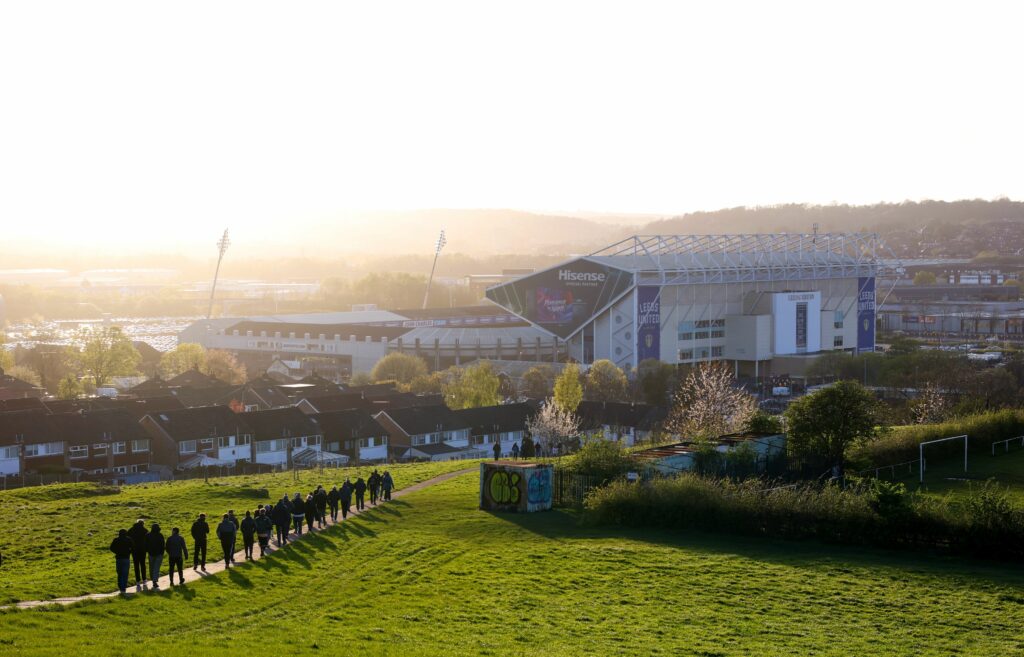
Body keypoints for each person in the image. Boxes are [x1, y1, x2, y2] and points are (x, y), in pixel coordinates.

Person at [109, 529, 134, 594]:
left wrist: (117, 552)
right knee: (125, 574)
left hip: (118, 558)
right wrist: (129, 552)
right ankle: (123, 588)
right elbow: (133, 547)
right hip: (126, 558)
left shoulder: (116, 540)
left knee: (119, 573)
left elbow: (111, 548)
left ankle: (120, 586)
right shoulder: (128, 539)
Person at [127, 519, 149, 587]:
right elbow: (147, 541)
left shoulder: (131, 530)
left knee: (136, 565)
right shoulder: (145, 531)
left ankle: (137, 581)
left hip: (134, 550)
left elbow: (128, 539)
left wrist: (130, 547)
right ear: (143, 524)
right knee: (143, 564)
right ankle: (144, 579)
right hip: (142, 550)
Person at [145, 522, 165, 589]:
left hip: (151, 553)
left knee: (151, 567)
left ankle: (152, 579)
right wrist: (162, 552)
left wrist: (148, 550)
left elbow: (146, 544)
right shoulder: (160, 535)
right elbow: (163, 544)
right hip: (159, 554)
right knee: (156, 568)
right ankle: (154, 580)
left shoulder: (148, 535)